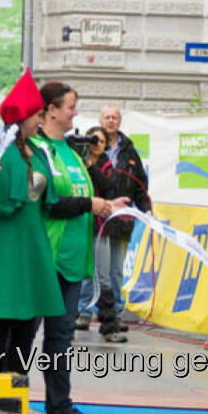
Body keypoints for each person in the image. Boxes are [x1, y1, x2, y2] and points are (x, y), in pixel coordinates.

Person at [31, 81, 127, 414]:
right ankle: (6, 400)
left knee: (61, 338)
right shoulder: (38, 149)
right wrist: (91, 204)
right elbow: (49, 202)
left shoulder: (71, 152)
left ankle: (59, 407)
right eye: (71, 106)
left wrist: (108, 206)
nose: (75, 112)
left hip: (72, 261)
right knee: (26, 335)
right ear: (50, 110)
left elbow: (87, 194)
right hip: (44, 258)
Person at [0, 69, 64, 380]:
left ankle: (15, 396)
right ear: (22, 118)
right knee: (0, 322)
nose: (40, 120)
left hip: (32, 245)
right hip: (5, 246)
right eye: (37, 115)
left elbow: (47, 197)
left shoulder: (38, 149)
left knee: (26, 325)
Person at [97, 105, 150, 327]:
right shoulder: (93, 147)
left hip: (121, 222)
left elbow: (140, 185)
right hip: (97, 220)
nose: (110, 120)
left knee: (116, 271)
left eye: (114, 117)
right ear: (101, 120)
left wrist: (145, 209)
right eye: (107, 117)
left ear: (119, 121)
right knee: (97, 272)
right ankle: (84, 311)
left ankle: (116, 313)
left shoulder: (129, 151)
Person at [75, 125, 129, 344]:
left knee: (104, 277)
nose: (96, 145)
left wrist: (91, 166)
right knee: (75, 276)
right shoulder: (76, 160)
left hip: (99, 227)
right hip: (78, 224)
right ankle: (71, 320)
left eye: (101, 142)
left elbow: (108, 186)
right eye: (93, 140)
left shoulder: (105, 163)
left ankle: (108, 324)